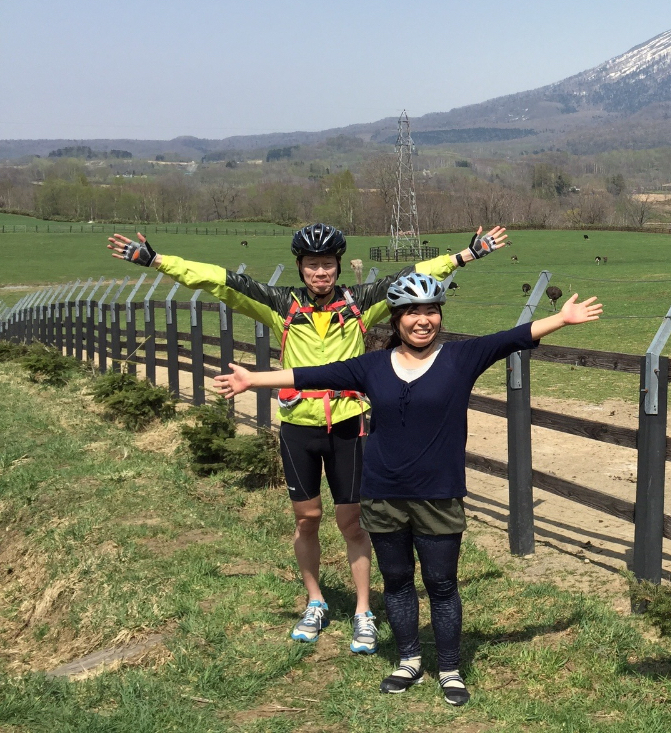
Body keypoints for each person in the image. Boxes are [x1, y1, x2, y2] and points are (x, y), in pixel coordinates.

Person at [107, 223, 507, 654]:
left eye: (328, 264)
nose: (321, 272)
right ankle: (315, 601)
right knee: (307, 519)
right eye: (313, 265)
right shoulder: (281, 305)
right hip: (299, 426)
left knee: (353, 522)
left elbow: (411, 275)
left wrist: (467, 255)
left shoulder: (359, 304)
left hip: (350, 423)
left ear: (338, 267)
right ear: (300, 267)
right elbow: (219, 281)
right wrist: (157, 260)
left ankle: (362, 610)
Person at [213, 273, 602, 704]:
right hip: (382, 494)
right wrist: (254, 380)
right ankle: (409, 660)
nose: (423, 320)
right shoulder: (371, 366)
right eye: (413, 312)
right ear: (396, 319)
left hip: (439, 493)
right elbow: (310, 373)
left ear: (440, 315)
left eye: (431, 311)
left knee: (441, 583)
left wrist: (562, 319)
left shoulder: (461, 358)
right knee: (396, 581)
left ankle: (451, 669)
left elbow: (511, 337)